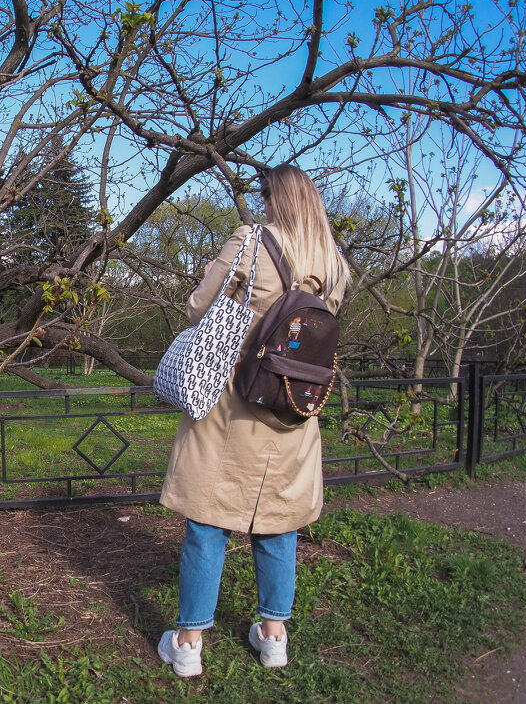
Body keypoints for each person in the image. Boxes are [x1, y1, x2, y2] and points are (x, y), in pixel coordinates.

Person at [156, 164, 349, 678]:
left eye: (265, 194)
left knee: (207, 522)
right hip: (291, 412)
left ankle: (189, 644)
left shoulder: (251, 241)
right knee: (279, 525)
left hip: (231, 407)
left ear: (276, 198)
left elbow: (199, 307)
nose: (261, 203)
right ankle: (273, 638)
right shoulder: (332, 263)